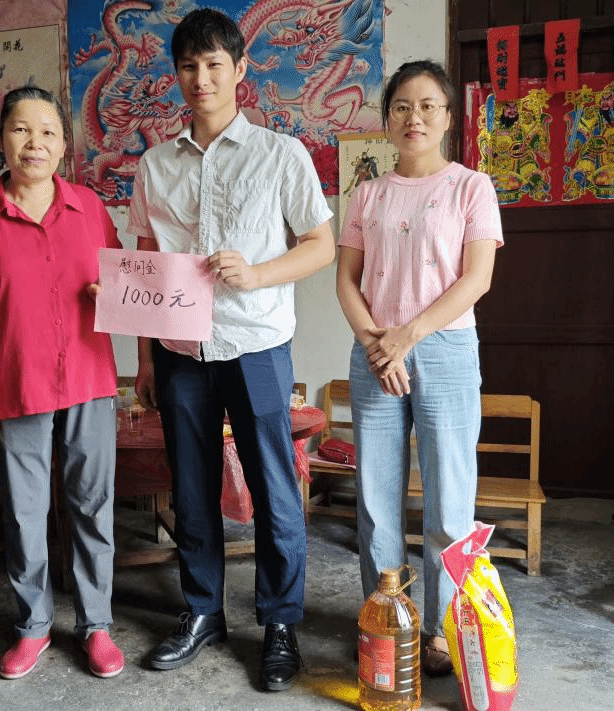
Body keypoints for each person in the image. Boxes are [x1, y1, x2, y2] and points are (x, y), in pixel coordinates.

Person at [127, 7, 334, 692]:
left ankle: (279, 623)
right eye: (188, 66)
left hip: (256, 346)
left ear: (240, 69)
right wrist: (146, 358)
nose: (201, 78)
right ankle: (202, 611)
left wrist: (258, 273)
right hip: (180, 351)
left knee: (274, 488)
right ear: (176, 74)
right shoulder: (155, 165)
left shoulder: (282, 154)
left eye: (214, 64)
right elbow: (148, 261)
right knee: (190, 488)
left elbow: (320, 245)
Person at [0, 85, 126, 681]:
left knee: (93, 507)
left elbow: (124, 289)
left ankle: (96, 625)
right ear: (2, 139)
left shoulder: (90, 209)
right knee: (23, 514)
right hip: (15, 386)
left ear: (64, 144)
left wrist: (112, 296)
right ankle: (33, 626)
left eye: (48, 132)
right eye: (21, 129)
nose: (34, 143)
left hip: (90, 381)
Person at [335, 59, 503, 677]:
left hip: (444, 351)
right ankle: (388, 618)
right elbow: (346, 280)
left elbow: (477, 279)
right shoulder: (367, 194)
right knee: (377, 501)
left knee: (449, 501)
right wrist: (375, 342)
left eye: (429, 105)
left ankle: (440, 629)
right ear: (387, 120)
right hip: (375, 350)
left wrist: (406, 336)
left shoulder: (471, 188)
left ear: (449, 117)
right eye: (402, 106)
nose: (415, 117)